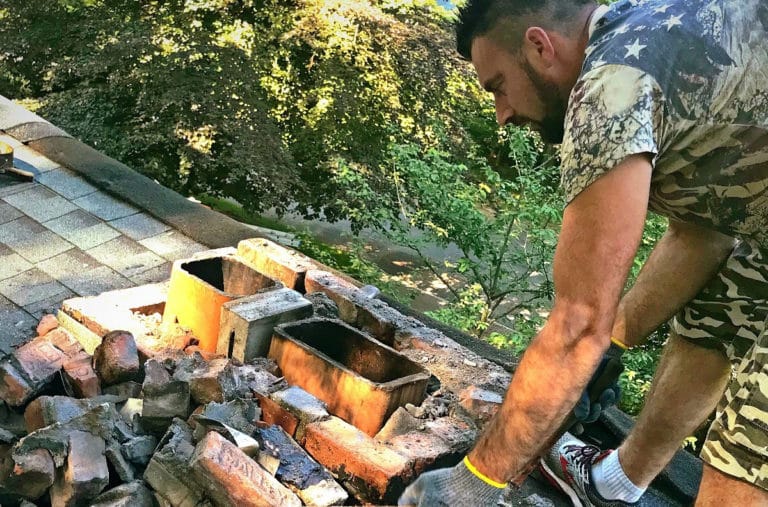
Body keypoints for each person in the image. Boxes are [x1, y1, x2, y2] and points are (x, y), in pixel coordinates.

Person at [398, 0, 768, 505]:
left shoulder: (608, 85)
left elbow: (576, 323)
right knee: (717, 314)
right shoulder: (651, 27)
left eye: (498, 86)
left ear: (538, 46)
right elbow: (703, 234)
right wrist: (614, 345)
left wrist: (472, 483)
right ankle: (615, 485)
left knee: (748, 443)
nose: (502, 114)